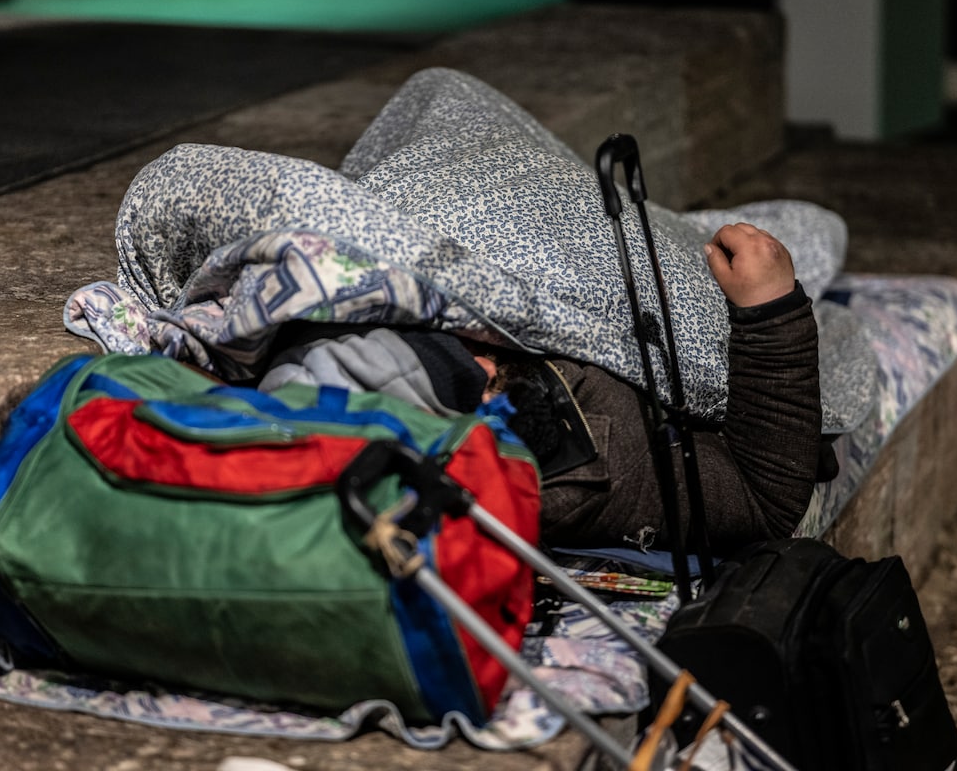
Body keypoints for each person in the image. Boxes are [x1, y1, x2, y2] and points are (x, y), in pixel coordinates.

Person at [259, 221, 821, 556]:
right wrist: (771, 311)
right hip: (731, 306)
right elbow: (763, 505)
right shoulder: (570, 463)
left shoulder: (312, 313)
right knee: (814, 232)